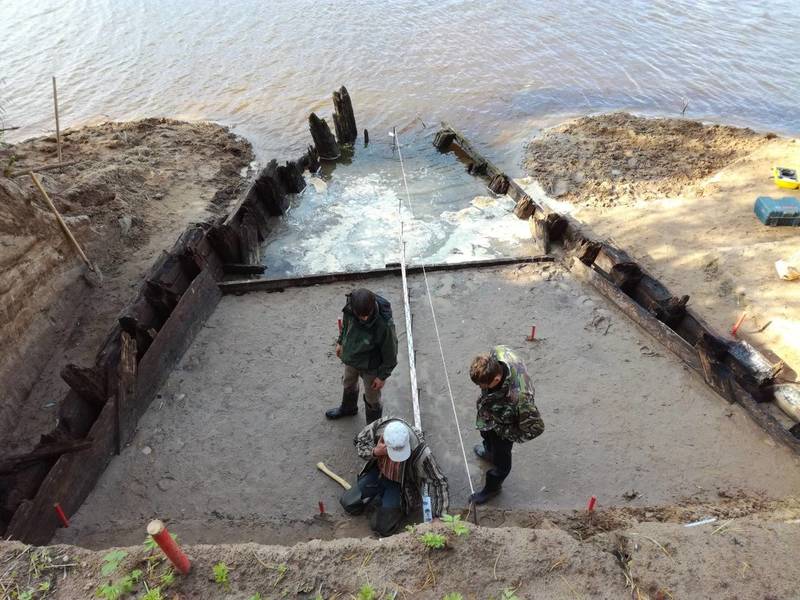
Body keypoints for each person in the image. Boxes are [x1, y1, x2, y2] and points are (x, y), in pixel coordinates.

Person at [339, 416, 449, 536]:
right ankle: (380, 498)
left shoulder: (420, 450)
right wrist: (375, 452)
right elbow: (359, 441)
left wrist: (438, 516)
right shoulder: (380, 427)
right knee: (348, 503)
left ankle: (397, 507)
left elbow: (439, 481)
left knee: (381, 528)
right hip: (378, 474)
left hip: (399, 486)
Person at [468, 345, 545, 504]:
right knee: (487, 435)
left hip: (506, 427)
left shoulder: (520, 398)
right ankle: (489, 452)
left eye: (483, 385)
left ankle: (493, 488)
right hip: (491, 415)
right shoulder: (499, 352)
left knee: (502, 463)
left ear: (496, 379)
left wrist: (507, 433)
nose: (481, 388)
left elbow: (536, 428)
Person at [326, 288, 398, 424]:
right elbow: (346, 325)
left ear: (372, 307)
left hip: (371, 366)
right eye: (360, 315)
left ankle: (372, 428)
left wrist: (382, 376)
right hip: (352, 357)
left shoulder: (384, 324)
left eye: (367, 315)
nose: (364, 318)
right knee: (348, 382)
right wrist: (340, 342)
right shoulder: (350, 307)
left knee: (372, 398)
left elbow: (391, 353)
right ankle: (348, 408)